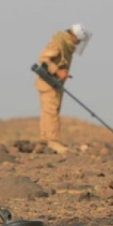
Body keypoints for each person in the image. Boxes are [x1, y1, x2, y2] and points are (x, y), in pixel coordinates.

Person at [34, 24, 92, 154]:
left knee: (49, 111)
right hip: (48, 82)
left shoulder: (66, 44)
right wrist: (57, 71)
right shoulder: (59, 42)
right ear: (73, 36)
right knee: (51, 111)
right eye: (78, 40)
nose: (78, 44)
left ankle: (45, 139)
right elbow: (43, 58)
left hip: (55, 83)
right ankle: (53, 141)